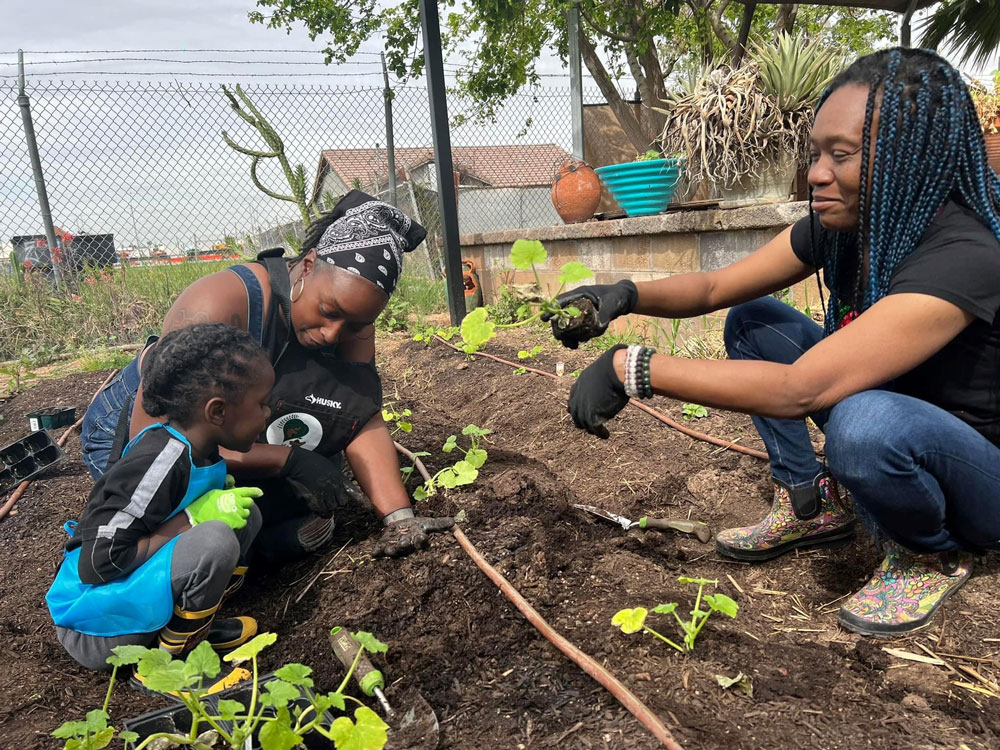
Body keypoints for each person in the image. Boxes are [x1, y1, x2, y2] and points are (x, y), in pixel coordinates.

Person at [548, 48, 1000, 637]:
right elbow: (715, 286)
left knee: (864, 426)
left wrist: (632, 368)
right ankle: (810, 503)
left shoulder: (965, 254)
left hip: (979, 476)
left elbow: (802, 388)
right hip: (900, 415)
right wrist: (626, 294)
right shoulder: (847, 226)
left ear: (911, 160)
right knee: (753, 321)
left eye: (842, 155)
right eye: (816, 152)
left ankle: (929, 553)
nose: (815, 172)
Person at [80, 192, 453, 563]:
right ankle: (251, 552)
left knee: (305, 490)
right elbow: (163, 444)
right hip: (142, 428)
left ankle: (256, 538)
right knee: (191, 509)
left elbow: (358, 415)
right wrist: (284, 460)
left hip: (236, 425)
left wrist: (399, 519)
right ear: (308, 266)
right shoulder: (225, 302)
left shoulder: (351, 326)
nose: (332, 334)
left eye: (356, 324)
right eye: (328, 311)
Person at [47, 324, 270, 672]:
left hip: (132, 599)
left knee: (245, 515)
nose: (268, 413)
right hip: (95, 623)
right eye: (262, 404)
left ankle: (188, 631)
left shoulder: (203, 449)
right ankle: (168, 665)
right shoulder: (160, 462)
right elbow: (98, 564)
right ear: (217, 411)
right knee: (215, 538)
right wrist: (192, 520)